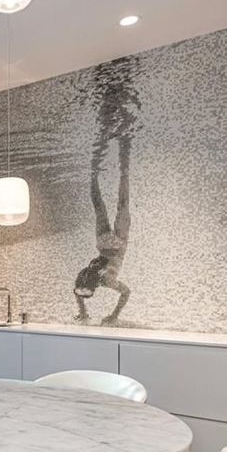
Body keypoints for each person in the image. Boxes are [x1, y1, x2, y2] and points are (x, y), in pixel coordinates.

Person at [74, 132, 132, 326]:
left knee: (123, 203)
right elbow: (77, 293)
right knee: (99, 204)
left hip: (118, 245)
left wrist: (114, 315)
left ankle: (123, 166)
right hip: (103, 243)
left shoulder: (105, 281)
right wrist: (82, 311)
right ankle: (94, 173)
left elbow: (126, 292)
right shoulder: (83, 276)